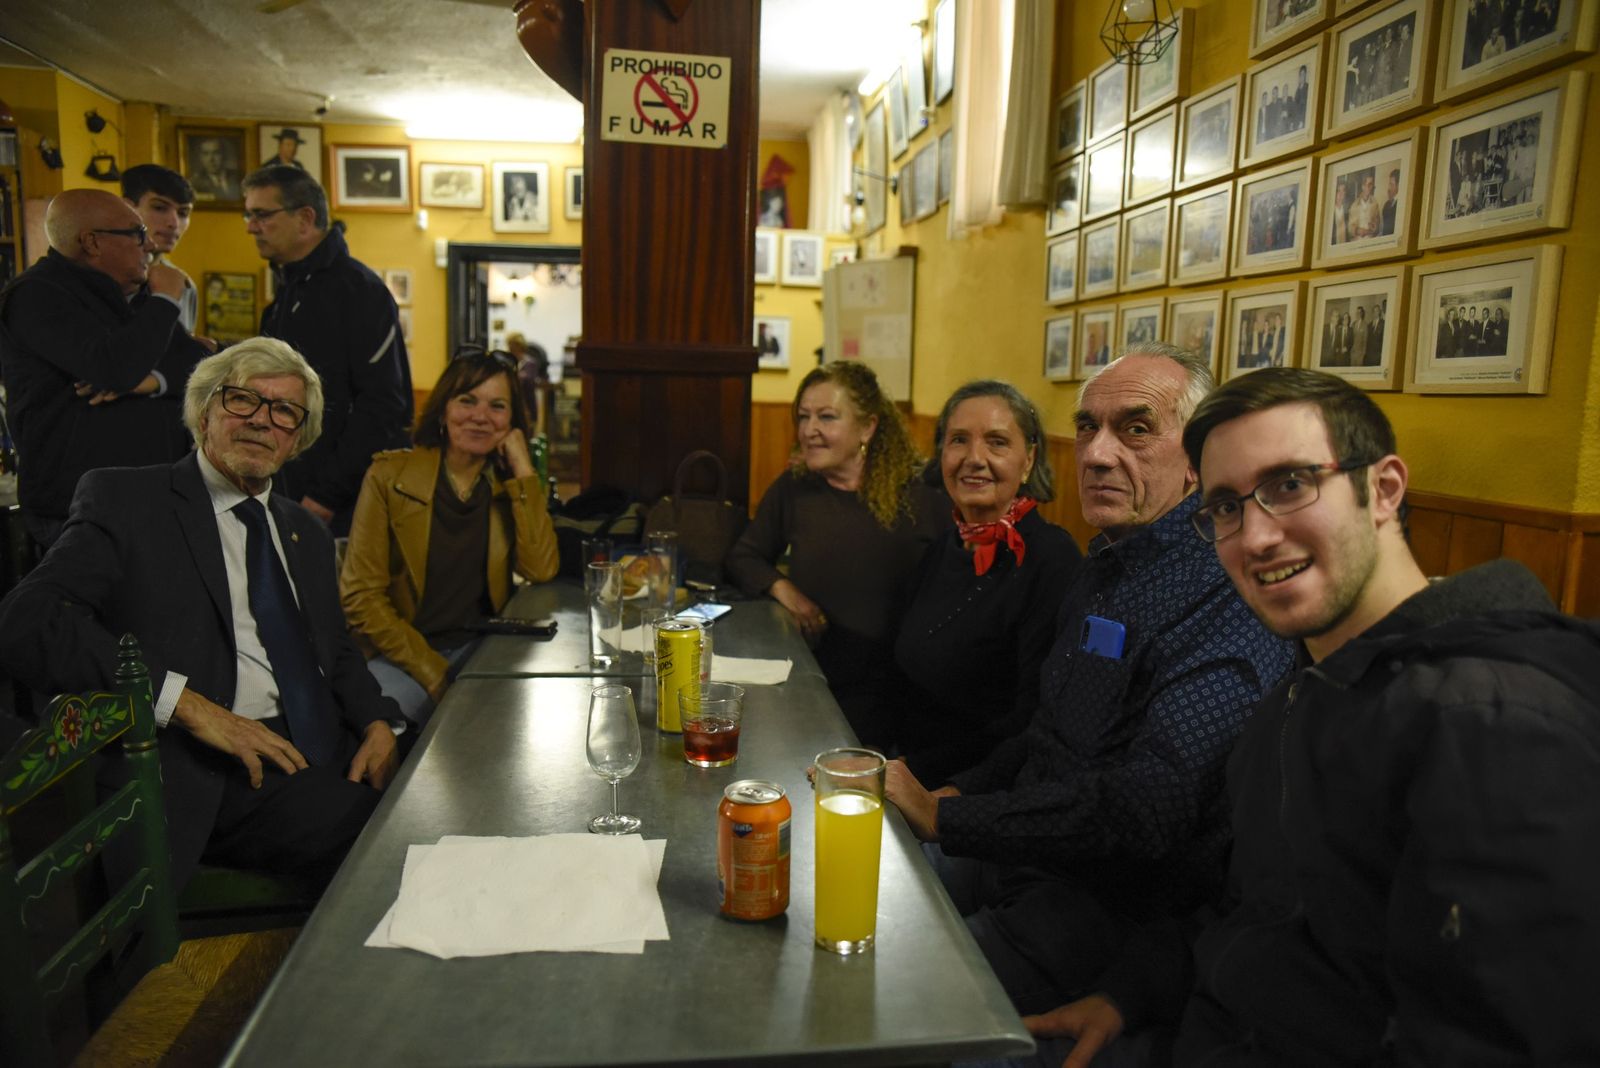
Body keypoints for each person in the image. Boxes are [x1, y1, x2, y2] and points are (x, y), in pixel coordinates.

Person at [1171, 367, 1600, 1062]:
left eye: (1290, 484)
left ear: (1385, 489)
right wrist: (1128, 994)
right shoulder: (1305, 692)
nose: (1255, 537)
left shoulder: (1494, 723)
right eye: (1226, 507)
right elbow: (1258, 916)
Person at [881, 344, 1295, 1017]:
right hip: (1014, 855)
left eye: (1136, 429)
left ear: (1200, 461)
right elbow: (1044, 729)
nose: (1098, 454)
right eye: (1087, 428)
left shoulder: (1228, 595)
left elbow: (1148, 811)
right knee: (837, 898)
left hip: (1107, 909)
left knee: (880, 991)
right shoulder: (1106, 562)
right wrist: (957, 793)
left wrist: (948, 817)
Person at [0, 339, 400, 891]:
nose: (262, 420)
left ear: (297, 438)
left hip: (322, 743)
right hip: (210, 769)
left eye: (284, 410)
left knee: (437, 786)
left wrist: (378, 722)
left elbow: (334, 650)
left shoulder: (304, 531)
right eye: (243, 399)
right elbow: (26, 620)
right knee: (390, 834)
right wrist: (184, 704)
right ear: (204, 411)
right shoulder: (129, 500)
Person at [725, 361, 946, 745]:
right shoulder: (795, 488)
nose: (809, 430)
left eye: (826, 417)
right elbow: (744, 556)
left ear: (868, 426)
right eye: (804, 416)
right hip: (815, 676)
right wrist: (784, 589)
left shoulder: (922, 495)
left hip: (900, 690)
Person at [341, 349, 560, 727]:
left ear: (512, 421)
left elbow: (540, 568)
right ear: (443, 409)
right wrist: (433, 672)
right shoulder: (388, 476)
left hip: (483, 649)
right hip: (399, 654)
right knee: (385, 727)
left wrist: (524, 472)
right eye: (467, 400)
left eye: (497, 406)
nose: (480, 416)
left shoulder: (506, 486)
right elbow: (361, 596)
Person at [887, 381, 1080, 785]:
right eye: (959, 440)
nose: (974, 459)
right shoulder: (945, 545)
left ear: (1028, 460)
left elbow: (1030, 720)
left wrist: (915, 776)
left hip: (973, 793)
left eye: (997, 442)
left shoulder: (1051, 559)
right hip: (903, 769)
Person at [0, 189, 207, 550]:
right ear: (92, 242)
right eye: (137, 234)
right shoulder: (36, 296)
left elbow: (198, 361)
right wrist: (165, 300)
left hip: (153, 499)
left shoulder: (133, 296)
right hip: (78, 511)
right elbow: (115, 368)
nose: (149, 246)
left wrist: (152, 381)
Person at [244, 164, 414, 534]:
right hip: (285, 490)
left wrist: (325, 496)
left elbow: (384, 406)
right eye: (249, 215)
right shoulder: (286, 294)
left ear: (305, 219)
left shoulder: (359, 291)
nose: (250, 227)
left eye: (262, 215)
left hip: (338, 508)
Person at [121, 163, 201, 331]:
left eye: (183, 213)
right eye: (159, 208)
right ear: (128, 208)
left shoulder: (185, 286)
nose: (174, 223)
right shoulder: (100, 278)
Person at [190, 136, 240, 201]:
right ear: (201, 157)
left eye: (216, 153)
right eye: (206, 154)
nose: (211, 159)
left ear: (224, 155)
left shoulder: (238, 177)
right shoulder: (195, 182)